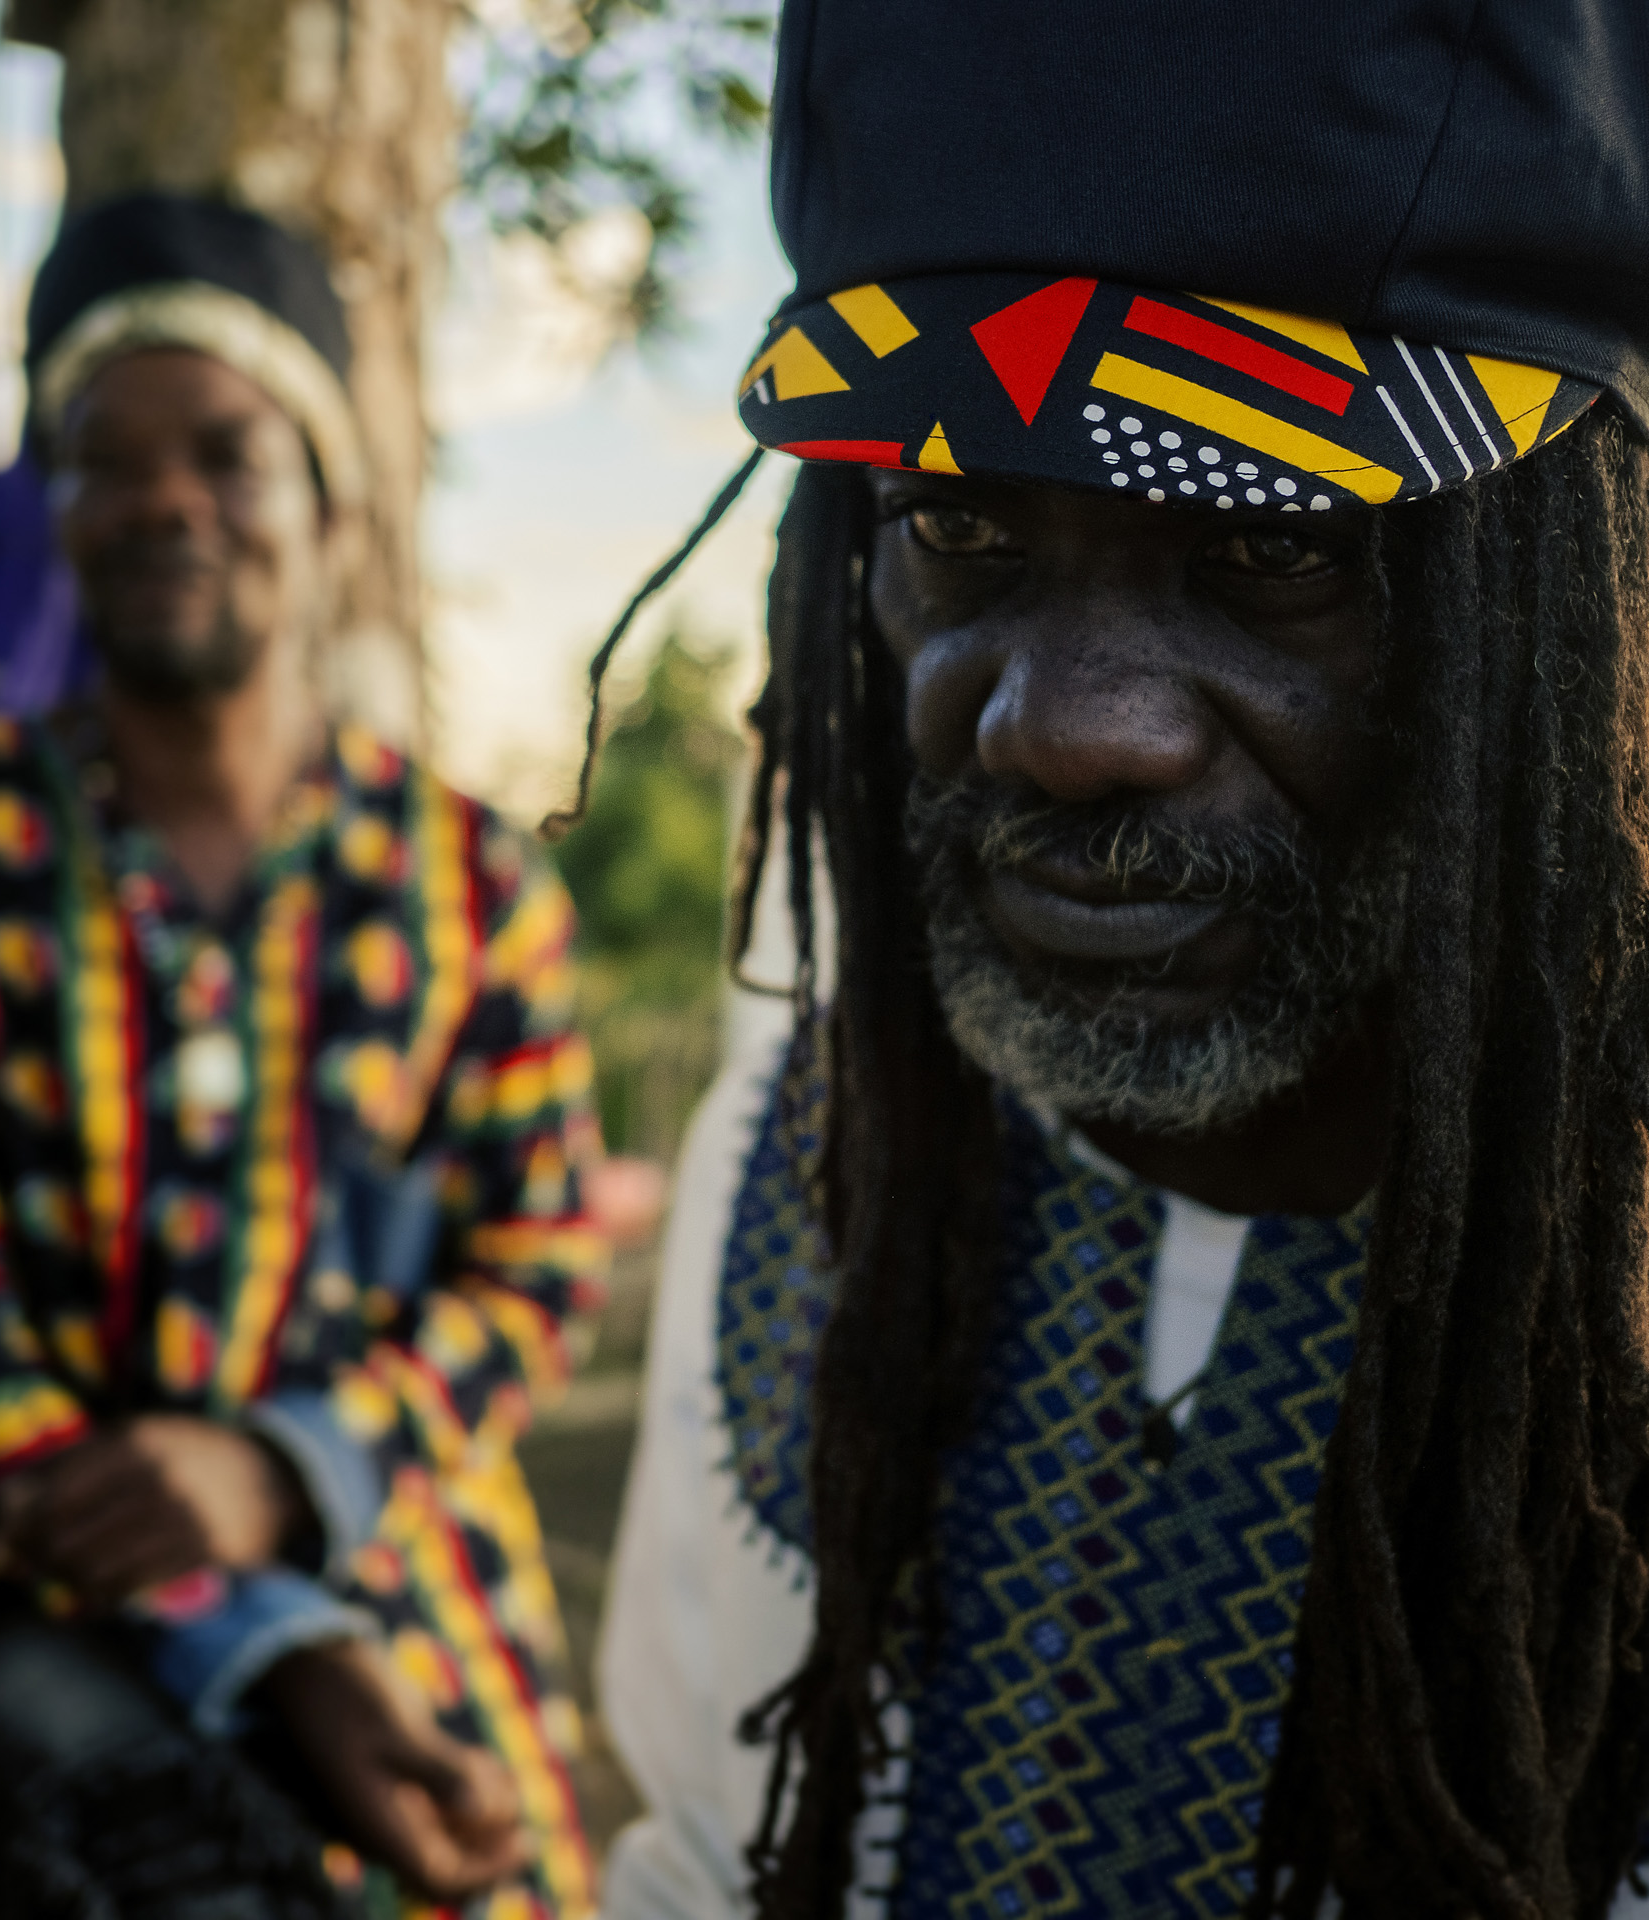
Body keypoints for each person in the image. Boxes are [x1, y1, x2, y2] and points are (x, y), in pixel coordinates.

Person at [595, 3, 1649, 1916]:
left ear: (1578, 579)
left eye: (1279, 550)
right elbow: (691, 1858)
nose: (1071, 725)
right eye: (959, 522)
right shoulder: (814, 1172)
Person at [0, 192, 607, 1920]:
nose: (167, 498)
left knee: (470, 1861)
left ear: (332, 514)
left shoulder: (474, 886)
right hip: (46, 1592)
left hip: (418, 1577)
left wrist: (288, 1472)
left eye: (231, 455)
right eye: (109, 459)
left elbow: (538, 1262)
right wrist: (263, 1640)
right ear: (61, 518)